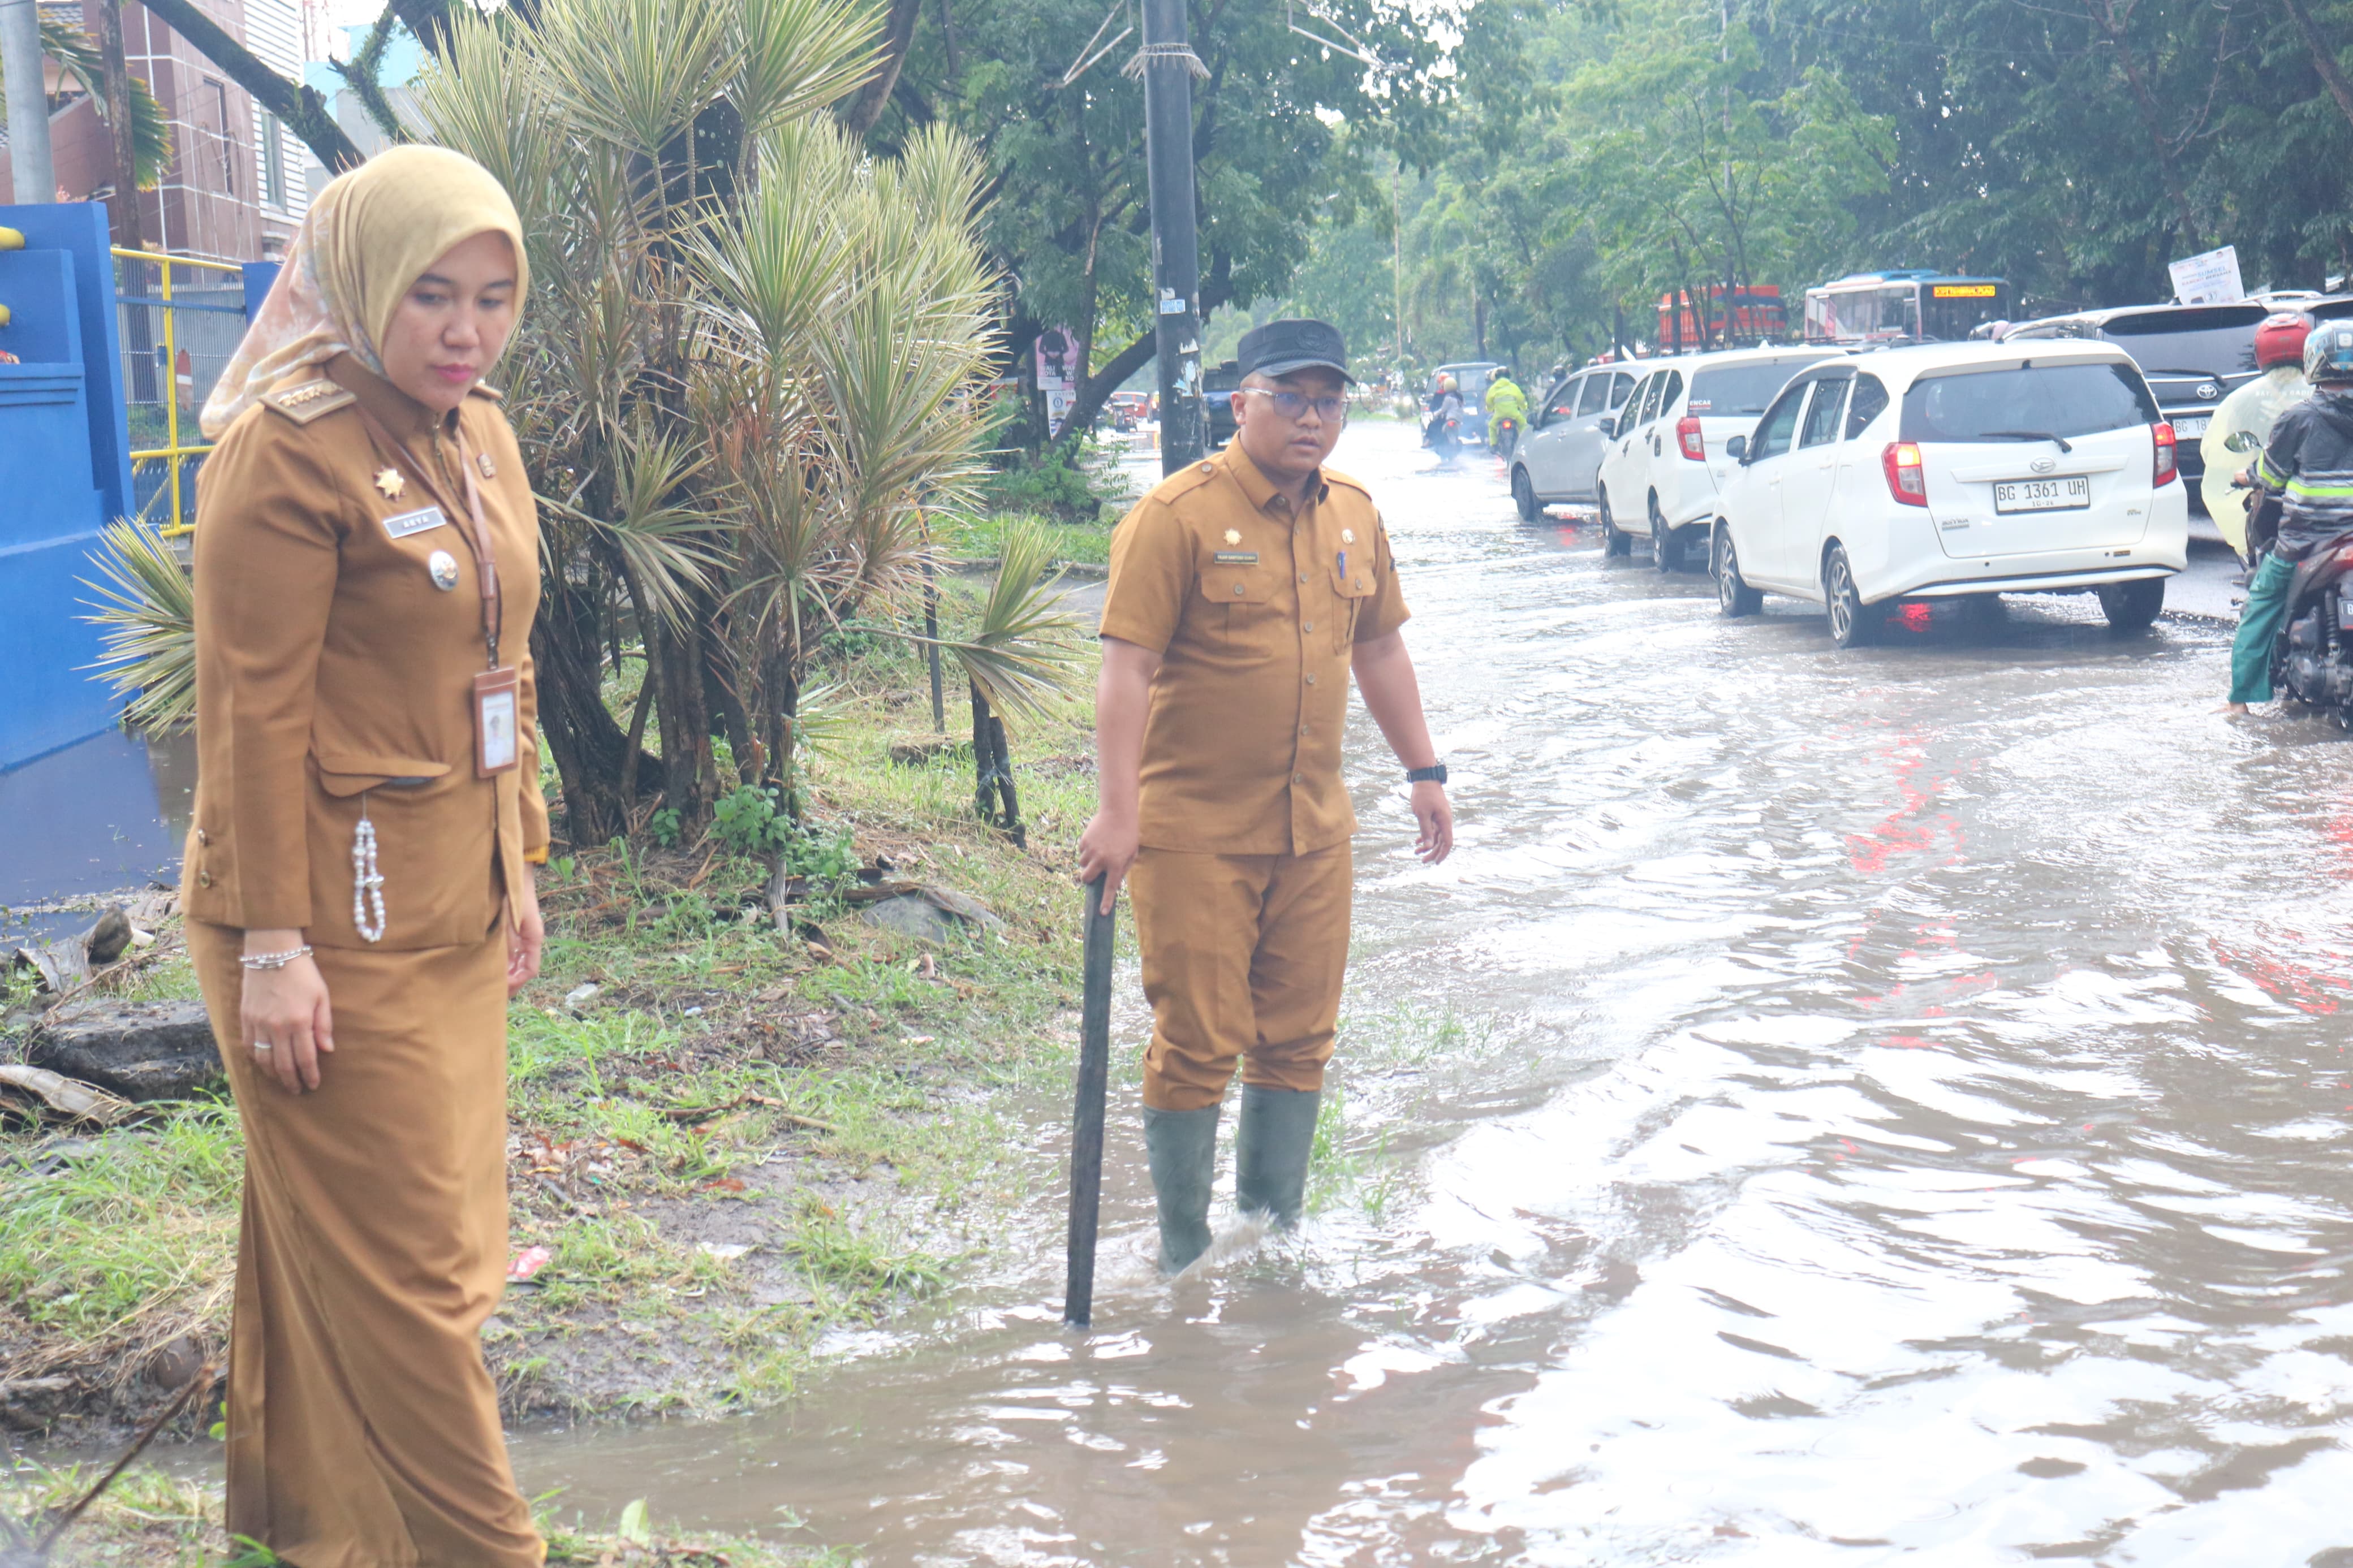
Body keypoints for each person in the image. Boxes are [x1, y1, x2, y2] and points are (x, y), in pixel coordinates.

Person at [183, 145, 550, 1565]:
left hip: (452, 906)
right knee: (413, 1284)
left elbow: (501, 660)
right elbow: (250, 713)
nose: (467, 332)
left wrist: (519, 862)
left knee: (393, 1241)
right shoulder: (286, 449)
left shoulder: (481, 434)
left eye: (493, 299)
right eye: (432, 295)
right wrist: (271, 945)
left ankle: (318, 1539)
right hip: (321, 930)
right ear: (360, 282)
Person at [1077, 318, 1454, 1275]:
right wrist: (1117, 814)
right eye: (1289, 398)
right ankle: (1182, 1254)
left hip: (1314, 832)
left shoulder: (1354, 513)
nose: (1310, 418)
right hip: (1194, 833)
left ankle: (1270, 1245)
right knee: (1199, 1039)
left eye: (1328, 400)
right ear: (1240, 403)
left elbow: (1379, 647)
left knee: (1297, 1041)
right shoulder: (1175, 517)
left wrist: (1424, 772)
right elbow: (1126, 671)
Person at [2223, 319, 2353, 715]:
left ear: (2315, 363)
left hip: (2306, 541)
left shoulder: (2298, 418)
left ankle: (2239, 702)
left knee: (2262, 605)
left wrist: (2247, 475)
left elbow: (2272, 475)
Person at [2202, 313, 2311, 562]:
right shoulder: (2329, 394)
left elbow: (2215, 452)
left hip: (2282, 501)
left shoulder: (2238, 401)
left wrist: (2247, 474)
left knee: (2270, 575)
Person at [1484, 368, 1528, 457]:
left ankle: (1494, 446)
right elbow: (1521, 400)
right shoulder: (1514, 387)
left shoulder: (1493, 389)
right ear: (1509, 376)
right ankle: (1524, 443)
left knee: (1492, 426)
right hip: (1514, 415)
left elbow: (1489, 404)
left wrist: (1490, 409)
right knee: (1523, 424)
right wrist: (1524, 407)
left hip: (1499, 416)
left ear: (1496, 377)